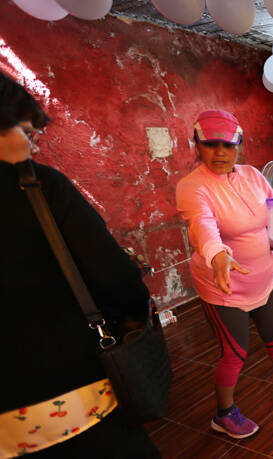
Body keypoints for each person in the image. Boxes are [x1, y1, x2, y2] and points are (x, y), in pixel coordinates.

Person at [0, 72, 159, 457]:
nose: (32, 147)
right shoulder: (39, 186)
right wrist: (134, 316)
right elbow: (115, 278)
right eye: (27, 133)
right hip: (68, 390)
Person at [176, 109, 273, 440]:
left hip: (263, 278)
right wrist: (218, 254)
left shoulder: (252, 175)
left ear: (238, 145)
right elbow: (203, 226)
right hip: (224, 285)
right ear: (197, 144)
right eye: (210, 145)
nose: (220, 153)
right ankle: (223, 414)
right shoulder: (192, 187)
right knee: (235, 353)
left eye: (228, 145)